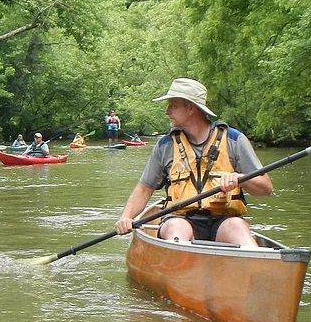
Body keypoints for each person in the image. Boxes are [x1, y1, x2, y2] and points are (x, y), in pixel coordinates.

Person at [114, 78, 273, 247]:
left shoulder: (234, 140)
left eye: (173, 105)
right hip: (180, 217)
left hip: (224, 219)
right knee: (176, 227)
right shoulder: (165, 146)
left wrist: (240, 178)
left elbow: (266, 188)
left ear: (190, 108)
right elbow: (145, 188)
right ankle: (180, 259)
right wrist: (126, 217)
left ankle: (252, 262)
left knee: (237, 227)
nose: (167, 112)